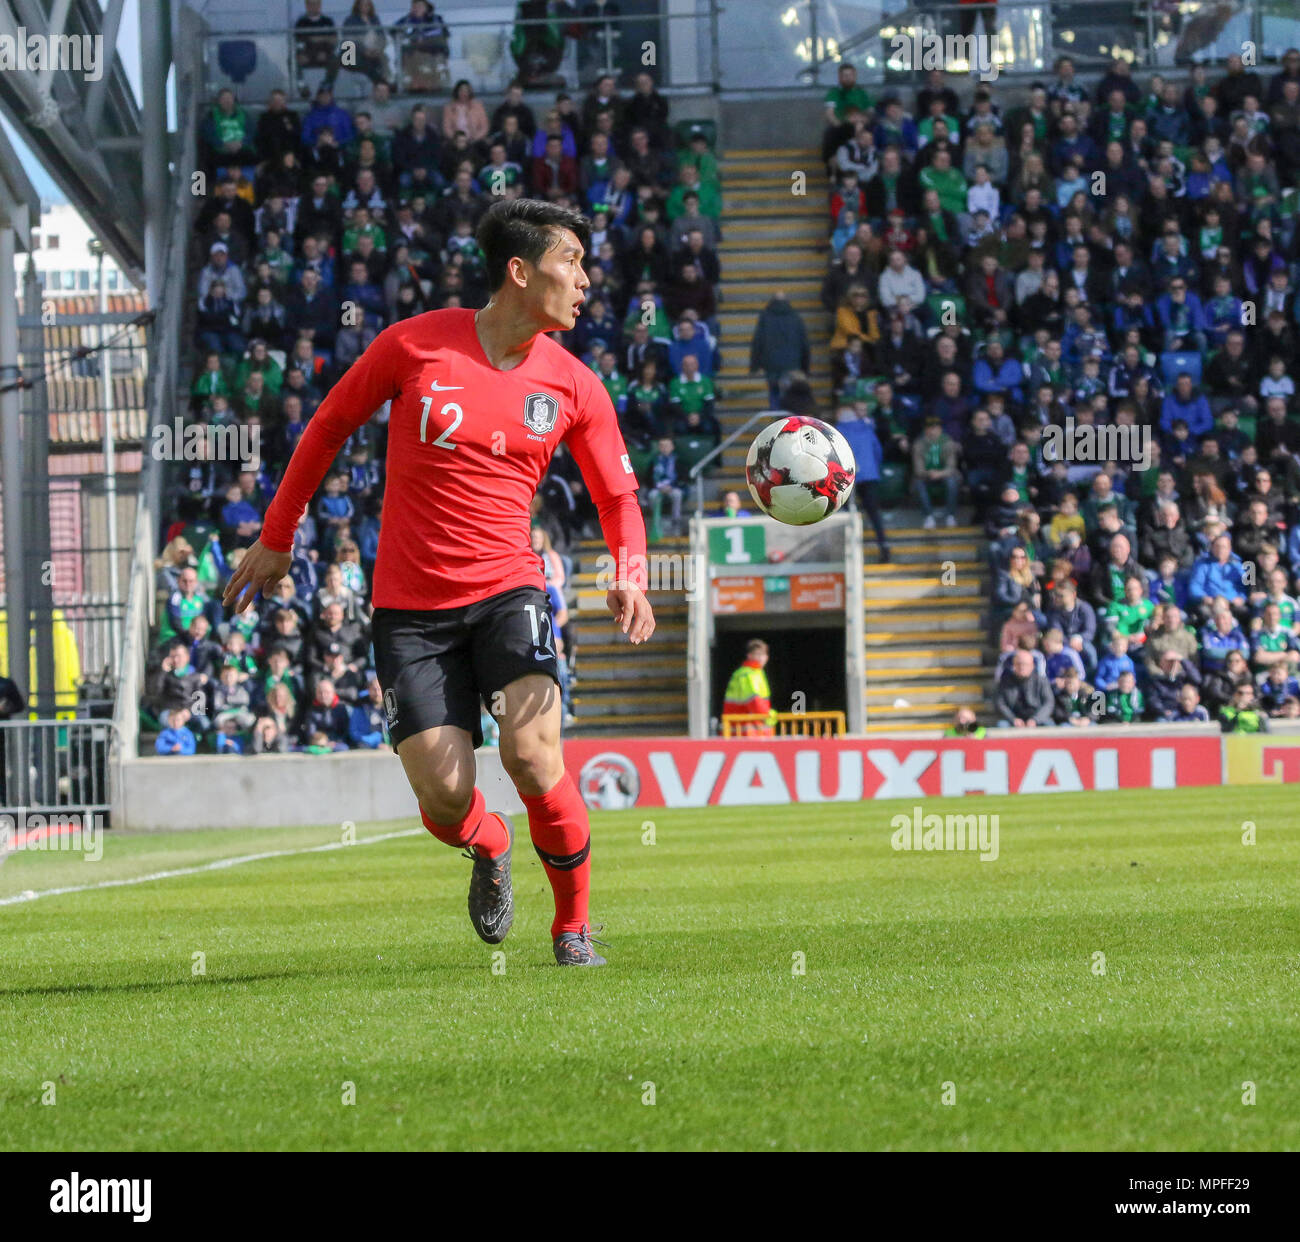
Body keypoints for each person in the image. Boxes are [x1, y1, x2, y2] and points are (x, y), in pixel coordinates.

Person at [224, 199, 654, 968]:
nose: (586, 280)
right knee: (446, 797)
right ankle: (490, 845)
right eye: (572, 262)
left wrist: (630, 571)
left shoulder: (576, 385)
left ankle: (574, 929)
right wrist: (278, 537)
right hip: (411, 610)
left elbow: (617, 496)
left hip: (510, 592)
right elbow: (326, 426)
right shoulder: (413, 345)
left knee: (532, 756)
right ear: (520, 272)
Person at [722, 639, 776, 736]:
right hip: (747, 731)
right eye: (757, 654)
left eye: (763, 655)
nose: (760, 658)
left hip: (744, 730)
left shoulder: (753, 673)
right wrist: (769, 716)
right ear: (749, 656)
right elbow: (754, 702)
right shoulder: (749, 674)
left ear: (767, 657)